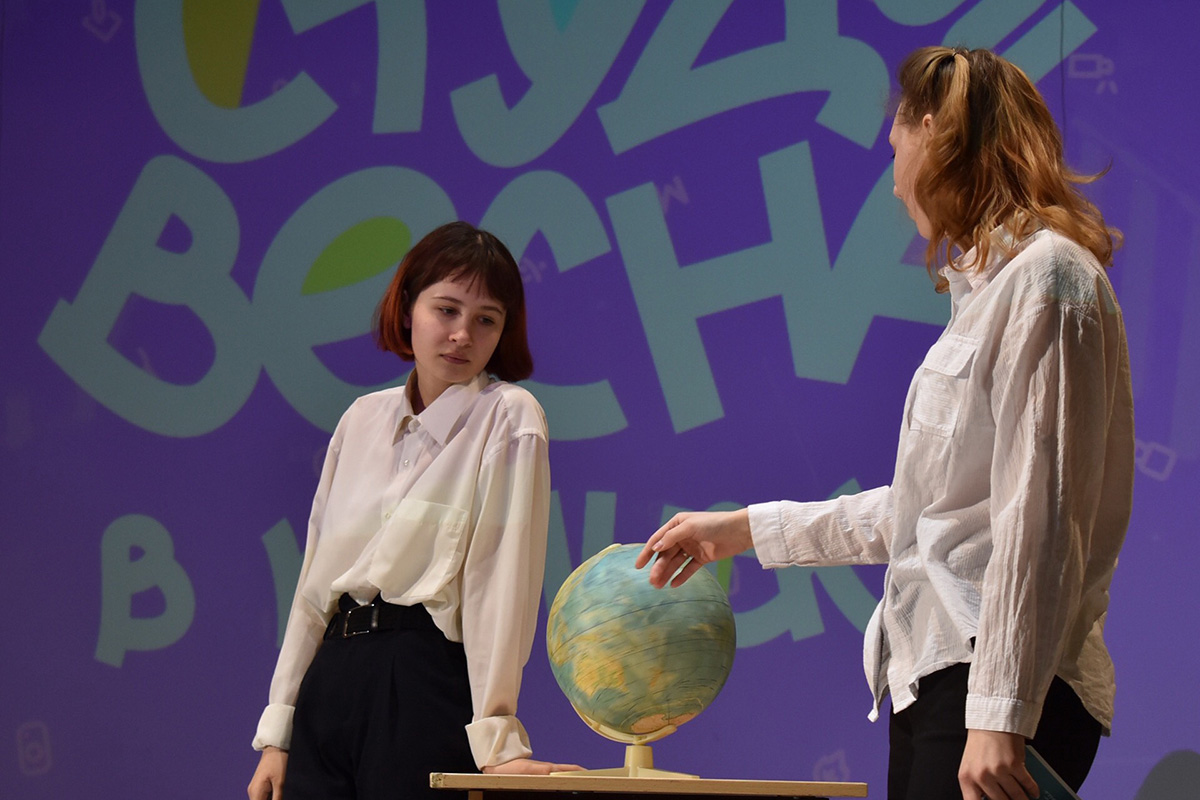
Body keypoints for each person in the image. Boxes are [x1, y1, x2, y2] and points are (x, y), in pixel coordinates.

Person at [636, 46, 1133, 800]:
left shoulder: (1048, 278)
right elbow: (931, 511)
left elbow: (1041, 515)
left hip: (993, 687)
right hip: (941, 678)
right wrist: (740, 531)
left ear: (933, 131)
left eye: (895, 148)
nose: (895, 179)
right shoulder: (990, 292)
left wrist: (1000, 713)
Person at [248, 221, 579, 800]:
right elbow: (314, 585)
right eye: (446, 310)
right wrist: (279, 731)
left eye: (486, 319)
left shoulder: (508, 415)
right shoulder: (361, 419)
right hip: (329, 684)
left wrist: (497, 743)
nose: (462, 335)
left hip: (420, 682)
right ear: (407, 309)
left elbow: (500, 585)